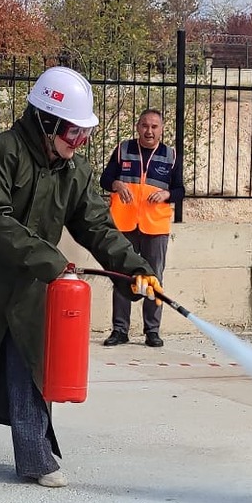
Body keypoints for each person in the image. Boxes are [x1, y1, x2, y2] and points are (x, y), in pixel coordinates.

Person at [0, 67, 160, 488]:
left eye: (84, 134)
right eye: (72, 133)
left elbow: (98, 227)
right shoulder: (0, 153)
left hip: (28, 284)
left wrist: (135, 269)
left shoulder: (75, 171)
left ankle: (35, 457)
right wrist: (52, 260)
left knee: (29, 368)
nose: (79, 142)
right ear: (46, 121)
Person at [99, 107, 183, 349]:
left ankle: (152, 331)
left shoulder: (171, 155)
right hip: (123, 223)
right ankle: (120, 330)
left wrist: (167, 194)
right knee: (122, 276)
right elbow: (105, 179)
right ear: (137, 127)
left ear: (162, 129)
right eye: (145, 125)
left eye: (154, 127)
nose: (149, 131)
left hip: (155, 226)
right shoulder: (123, 150)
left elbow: (180, 190)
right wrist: (116, 183)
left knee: (153, 278)